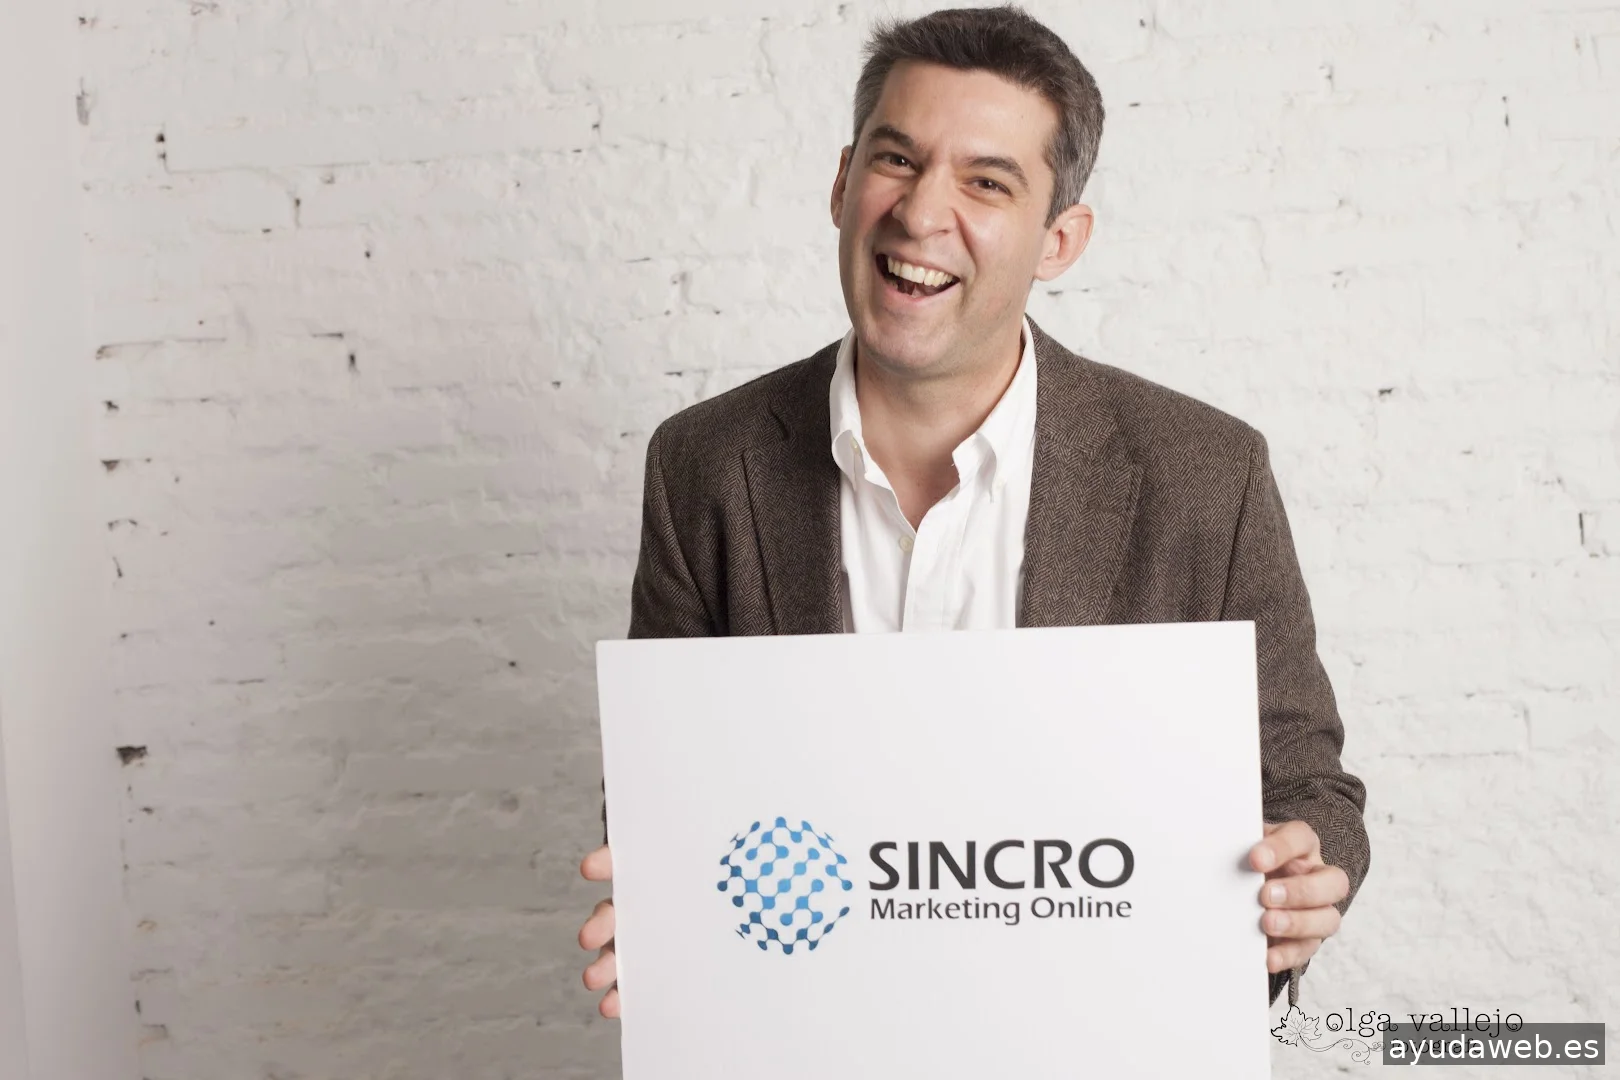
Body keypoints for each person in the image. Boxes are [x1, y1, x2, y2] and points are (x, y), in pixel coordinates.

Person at [578, 3, 1369, 1017]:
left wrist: (1304, 875)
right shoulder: (705, 466)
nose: (920, 213)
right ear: (842, 183)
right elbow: (668, 787)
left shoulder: (1205, 475)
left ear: (1058, 240)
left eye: (987, 182)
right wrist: (663, 911)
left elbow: (1305, 787)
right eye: (896, 160)